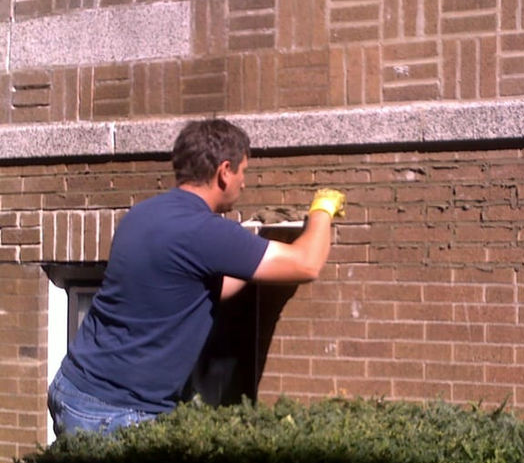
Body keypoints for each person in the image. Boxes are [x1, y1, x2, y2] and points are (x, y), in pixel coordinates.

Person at [47, 118, 346, 437]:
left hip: (73, 386)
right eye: (243, 171)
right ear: (225, 171)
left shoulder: (143, 215)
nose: (244, 183)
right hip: (114, 412)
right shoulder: (204, 231)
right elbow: (306, 264)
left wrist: (248, 258)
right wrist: (321, 211)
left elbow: (199, 291)